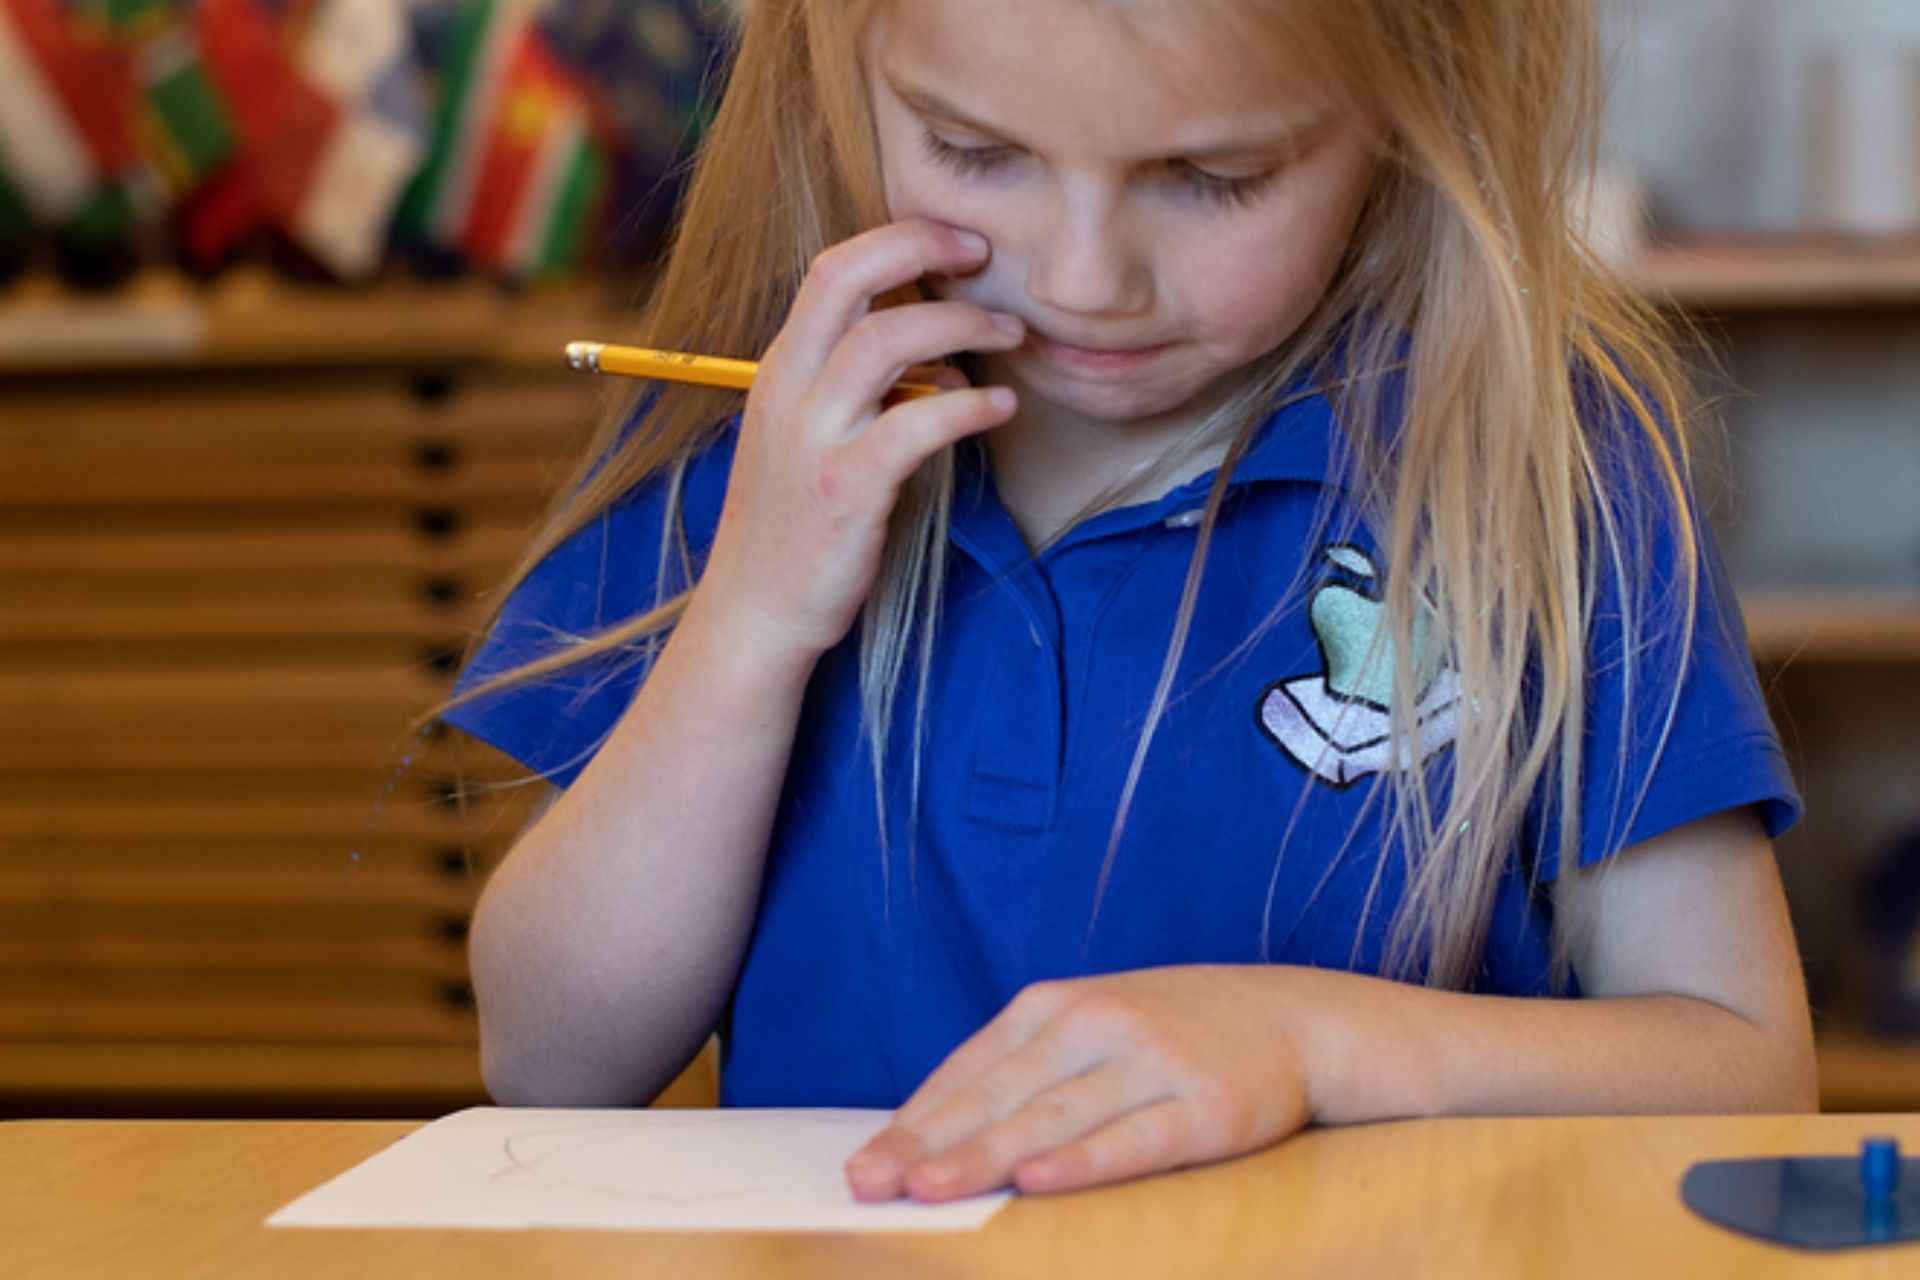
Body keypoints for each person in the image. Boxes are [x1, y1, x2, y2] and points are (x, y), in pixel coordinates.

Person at [439, 0, 1818, 1204]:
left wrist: (1307, 1045)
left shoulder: (1537, 470)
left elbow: (1749, 1072)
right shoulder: (760, 456)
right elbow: (548, 1060)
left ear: (1410, 108)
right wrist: (748, 619)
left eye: (1214, 177)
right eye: (975, 153)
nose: (1087, 278)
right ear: (835, 77)